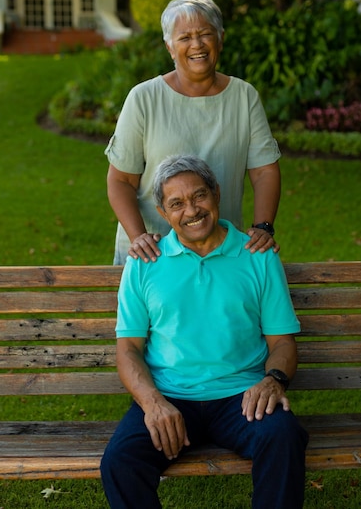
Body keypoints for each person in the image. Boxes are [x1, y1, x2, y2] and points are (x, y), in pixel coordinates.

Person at [100, 154, 308, 509]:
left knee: (284, 436)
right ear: (163, 213)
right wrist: (152, 403)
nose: (192, 210)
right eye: (177, 203)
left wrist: (273, 379)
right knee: (121, 461)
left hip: (242, 397)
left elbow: (282, 343)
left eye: (199, 196)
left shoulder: (257, 255)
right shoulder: (144, 263)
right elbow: (129, 350)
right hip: (170, 396)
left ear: (217, 194)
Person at [105, 0, 281, 265]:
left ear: (220, 38)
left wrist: (263, 228)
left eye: (205, 34)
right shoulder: (144, 99)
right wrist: (139, 237)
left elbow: (264, 171)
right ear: (169, 47)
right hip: (154, 257)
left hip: (222, 253)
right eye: (185, 37)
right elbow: (120, 181)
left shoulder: (244, 97)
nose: (197, 44)